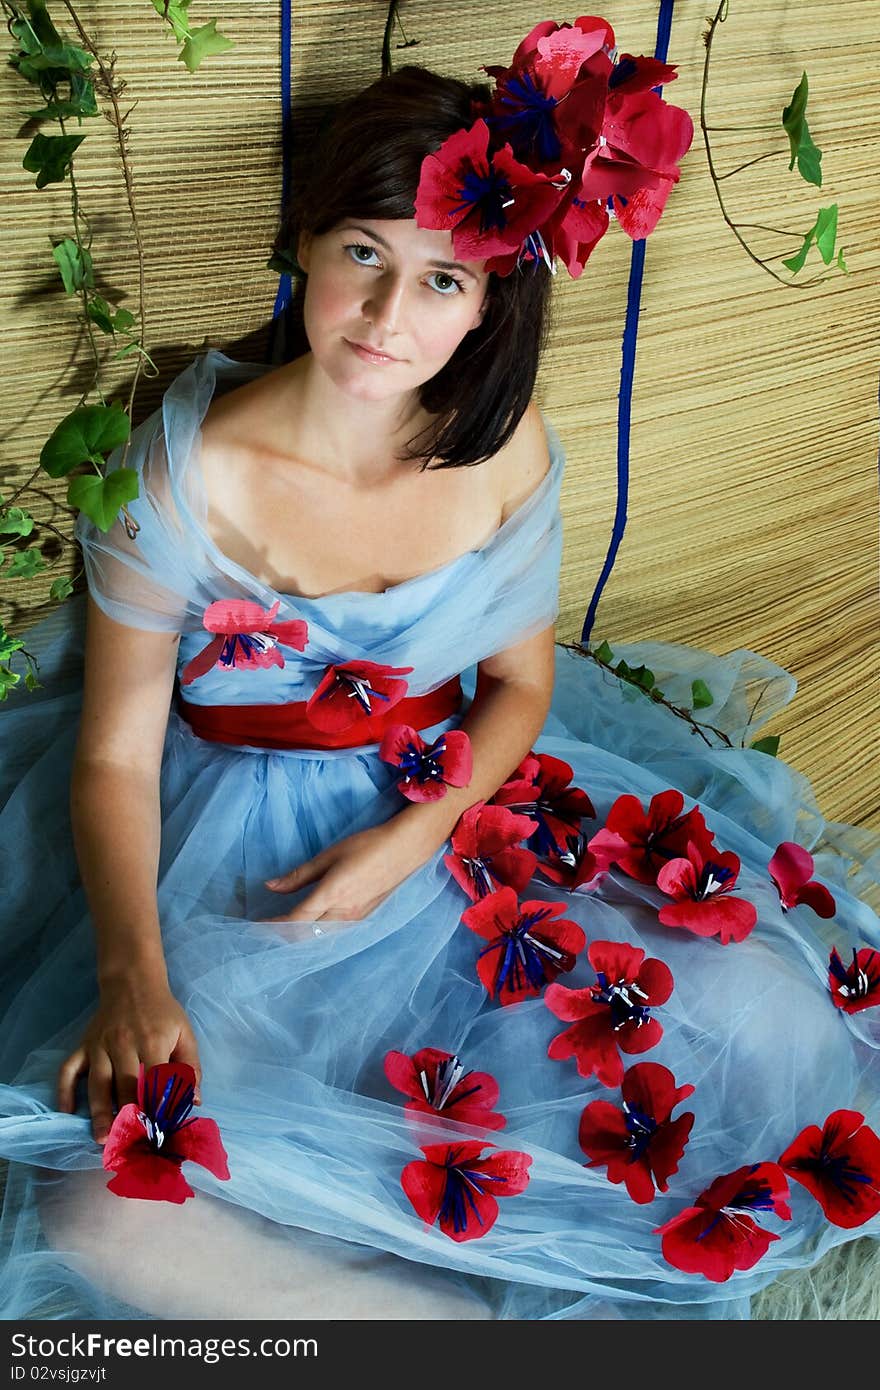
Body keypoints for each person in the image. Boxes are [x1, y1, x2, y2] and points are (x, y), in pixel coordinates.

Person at [1, 31, 878, 1323]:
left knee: (783, 1023)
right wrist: (135, 969)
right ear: (304, 242)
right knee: (110, 1204)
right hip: (230, 856)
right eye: (362, 254)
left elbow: (518, 689)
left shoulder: (501, 448)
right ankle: (430, 1315)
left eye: (443, 281)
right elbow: (117, 756)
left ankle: (465, 1201)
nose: (388, 319)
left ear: (491, 302)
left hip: (447, 808)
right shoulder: (175, 479)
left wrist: (416, 836)